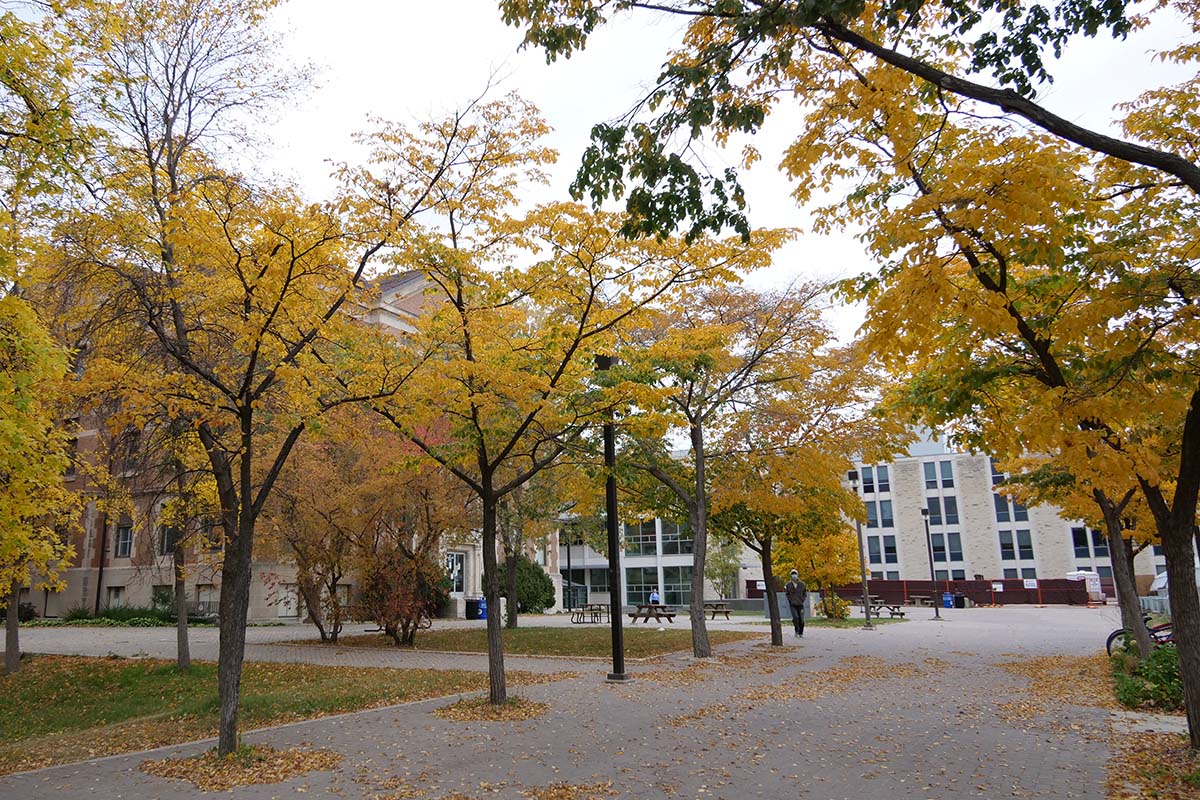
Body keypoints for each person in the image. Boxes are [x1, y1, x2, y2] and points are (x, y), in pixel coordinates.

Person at [785, 570, 807, 637]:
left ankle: (801, 632)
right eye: (792, 574)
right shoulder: (788, 585)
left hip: (800, 604)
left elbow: (805, 593)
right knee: (795, 617)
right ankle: (796, 630)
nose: (794, 575)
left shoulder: (802, 584)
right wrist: (790, 600)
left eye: (795, 574)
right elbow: (787, 594)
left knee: (801, 619)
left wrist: (802, 599)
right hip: (793, 604)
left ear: (797, 575)